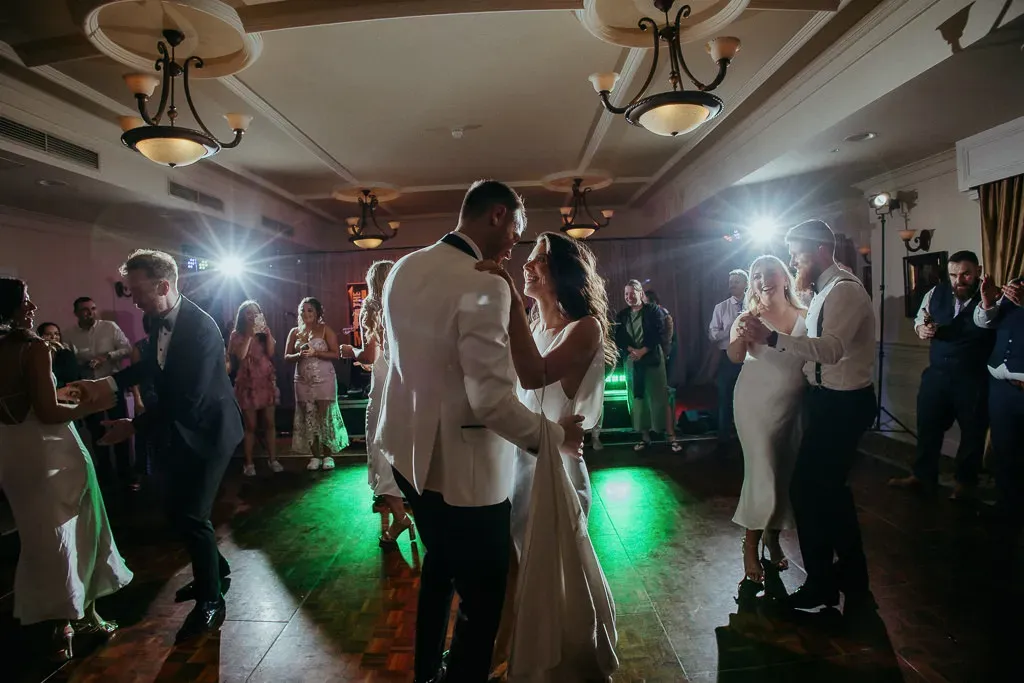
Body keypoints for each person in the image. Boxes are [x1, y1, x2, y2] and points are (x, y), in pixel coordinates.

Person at [376, 180, 586, 683]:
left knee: (439, 568)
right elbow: (491, 402)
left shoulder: (404, 267)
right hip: (467, 474)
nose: (515, 241)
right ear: (497, 215)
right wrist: (558, 438)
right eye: (516, 228)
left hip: (405, 454)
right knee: (484, 599)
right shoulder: (483, 282)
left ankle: (426, 670)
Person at [71, 249, 244, 642]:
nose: (133, 300)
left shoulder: (201, 329)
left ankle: (211, 600)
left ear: (163, 286)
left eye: (137, 291)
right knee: (174, 509)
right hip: (179, 428)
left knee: (193, 514)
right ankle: (215, 570)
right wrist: (107, 384)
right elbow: (151, 362)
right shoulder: (155, 319)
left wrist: (133, 426)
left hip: (211, 430)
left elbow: (188, 399)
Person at [478, 232, 617, 682]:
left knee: (557, 572)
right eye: (528, 258)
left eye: (538, 259)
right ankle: (515, 655)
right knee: (520, 570)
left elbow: (534, 375)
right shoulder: (534, 328)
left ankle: (567, 663)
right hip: (518, 464)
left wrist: (510, 298)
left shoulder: (585, 328)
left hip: (557, 468)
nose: (526, 265)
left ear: (564, 272)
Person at [739, 220, 876, 612]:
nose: (794, 260)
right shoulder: (823, 291)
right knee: (828, 492)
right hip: (828, 401)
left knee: (809, 490)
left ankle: (825, 582)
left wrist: (773, 339)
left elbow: (830, 351)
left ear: (819, 249)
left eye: (797, 252)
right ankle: (847, 578)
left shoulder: (844, 290)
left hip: (844, 404)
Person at [0, 278, 132, 660]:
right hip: (52, 450)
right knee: (80, 528)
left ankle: (59, 626)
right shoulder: (34, 348)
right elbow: (47, 412)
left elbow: (20, 404)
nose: (32, 307)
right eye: (25, 300)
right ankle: (80, 618)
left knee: (38, 538)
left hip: (12, 453)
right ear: (9, 308)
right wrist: (91, 404)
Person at [728, 255, 806, 593]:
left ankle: (772, 538)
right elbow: (734, 357)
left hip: (793, 406)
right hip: (754, 404)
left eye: (769, 272)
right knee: (763, 472)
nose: (763, 280)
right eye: (756, 275)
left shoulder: (807, 315)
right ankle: (749, 546)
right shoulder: (748, 317)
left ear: (785, 277)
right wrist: (740, 337)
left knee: (784, 474)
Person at [889, 251, 994, 499]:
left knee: (972, 432)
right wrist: (921, 329)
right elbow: (919, 318)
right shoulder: (935, 292)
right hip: (936, 375)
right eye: (953, 275)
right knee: (928, 426)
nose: (959, 280)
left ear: (978, 271)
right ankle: (922, 476)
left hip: (972, 377)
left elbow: (988, 322)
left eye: (966, 274)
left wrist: (987, 302)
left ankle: (965, 483)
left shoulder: (991, 296)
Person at [340, 260, 414, 547]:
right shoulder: (408, 306)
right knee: (407, 450)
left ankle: (400, 519)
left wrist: (351, 351)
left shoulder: (370, 309)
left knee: (381, 451)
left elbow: (370, 357)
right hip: (408, 387)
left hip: (383, 388)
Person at [63, 296, 133, 491]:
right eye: (85, 310)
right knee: (96, 431)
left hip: (112, 384)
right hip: (88, 389)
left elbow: (127, 349)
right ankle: (105, 476)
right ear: (76, 313)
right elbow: (67, 362)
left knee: (120, 427)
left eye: (93, 308)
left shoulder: (109, 327)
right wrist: (81, 365)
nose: (90, 313)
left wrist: (107, 356)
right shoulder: (69, 334)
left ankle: (125, 472)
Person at [974, 272, 1024, 529]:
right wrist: (987, 302)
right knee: (1005, 451)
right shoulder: (1016, 283)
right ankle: (1006, 509)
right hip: (1001, 387)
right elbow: (986, 323)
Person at [614, 281, 682, 452]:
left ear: (640, 293)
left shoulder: (653, 310)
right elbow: (619, 337)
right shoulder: (622, 315)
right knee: (638, 400)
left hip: (652, 358)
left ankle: (670, 436)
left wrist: (643, 351)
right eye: (626, 294)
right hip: (633, 360)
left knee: (659, 397)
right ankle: (644, 437)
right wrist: (632, 351)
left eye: (632, 293)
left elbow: (658, 332)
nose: (629, 297)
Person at [284, 297, 349, 470]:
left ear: (317, 312)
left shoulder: (325, 330)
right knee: (308, 415)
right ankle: (314, 456)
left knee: (324, 416)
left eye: (310, 310)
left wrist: (316, 353)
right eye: (303, 310)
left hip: (323, 378)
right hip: (302, 379)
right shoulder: (294, 332)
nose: (306, 313)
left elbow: (335, 354)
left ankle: (328, 455)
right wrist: (299, 355)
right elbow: (286, 356)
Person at [228, 300, 282, 477]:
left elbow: (271, 353)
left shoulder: (264, 333)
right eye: (248, 313)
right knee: (250, 425)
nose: (252, 316)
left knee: (269, 423)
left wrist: (267, 333)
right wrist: (250, 335)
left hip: (265, 380)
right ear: (242, 316)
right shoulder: (236, 334)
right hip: (248, 381)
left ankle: (273, 459)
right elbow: (240, 355)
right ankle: (249, 463)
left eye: (255, 312)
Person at [708, 270, 748, 445]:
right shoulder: (721, 308)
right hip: (728, 358)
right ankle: (723, 441)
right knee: (725, 398)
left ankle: (747, 438)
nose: (732, 285)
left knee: (748, 399)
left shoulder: (755, 305)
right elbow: (712, 335)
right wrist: (731, 328)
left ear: (746, 284)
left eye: (736, 281)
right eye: (731, 281)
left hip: (751, 359)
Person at [36, 322, 81, 388]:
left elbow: (72, 379)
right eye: (48, 334)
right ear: (40, 336)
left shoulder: (67, 355)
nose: (53, 337)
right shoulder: (35, 355)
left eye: (56, 334)